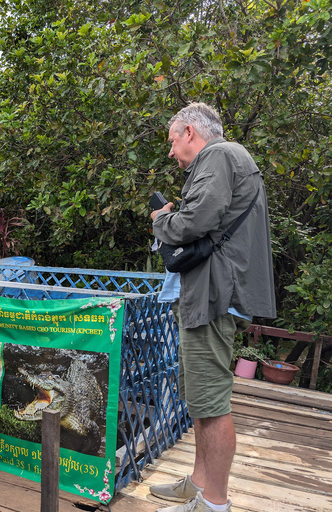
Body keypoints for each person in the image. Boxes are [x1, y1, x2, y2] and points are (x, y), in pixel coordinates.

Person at [150, 103, 276, 512]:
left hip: (213, 297)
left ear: (189, 132)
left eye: (172, 142)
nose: (171, 153)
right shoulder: (229, 159)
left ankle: (214, 503)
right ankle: (199, 484)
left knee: (212, 403)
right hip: (207, 295)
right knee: (200, 400)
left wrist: (160, 221)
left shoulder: (218, 155)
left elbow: (195, 221)